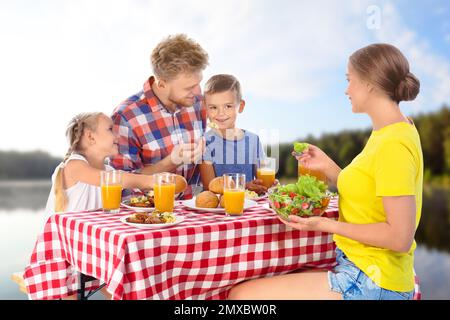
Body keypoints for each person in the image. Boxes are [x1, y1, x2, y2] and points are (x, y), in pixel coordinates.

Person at [228, 43, 423, 300]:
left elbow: (399, 237)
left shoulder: (393, 144)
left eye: (349, 80)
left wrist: (324, 224)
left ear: (369, 84)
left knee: (241, 297)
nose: (346, 89)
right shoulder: (391, 131)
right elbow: (369, 189)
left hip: (373, 281)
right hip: (359, 267)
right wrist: (328, 166)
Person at [110, 34, 209, 199]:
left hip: (196, 212)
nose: (198, 92)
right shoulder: (126, 117)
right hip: (150, 217)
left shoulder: (199, 104)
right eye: (189, 87)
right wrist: (170, 162)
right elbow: (119, 185)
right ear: (161, 83)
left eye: (199, 83)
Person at [45, 112, 186, 217]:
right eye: (110, 129)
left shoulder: (109, 170)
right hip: (65, 244)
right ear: (90, 137)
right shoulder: (74, 165)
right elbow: (112, 179)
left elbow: (127, 184)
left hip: (90, 240)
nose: (117, 136)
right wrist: (152, 181)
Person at [199, 74, 269, 195]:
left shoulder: (253, 140)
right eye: (213, 107)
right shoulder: (205, 142)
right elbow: (210, 186)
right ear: (205, 108)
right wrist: (244, 186)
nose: (221, 113)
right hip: (220, 208)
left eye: (228, 106)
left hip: (250, 206)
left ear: (240, 106)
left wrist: (269, 185)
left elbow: (262, 180)